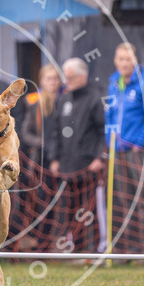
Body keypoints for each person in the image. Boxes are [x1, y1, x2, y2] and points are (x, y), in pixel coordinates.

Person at [104, 42, 144, 253]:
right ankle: (122, 250)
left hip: (140, 152)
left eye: (128, 59)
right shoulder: (113, 83)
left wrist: (139, 142)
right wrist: (109, 139)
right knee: (121, 201)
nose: (124, 63)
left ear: (135, 60)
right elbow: (109, 115)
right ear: (115, 60)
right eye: (120, 59)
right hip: (117, 151)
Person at [46, 58, 105, 252]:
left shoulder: (95, 98)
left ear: (82, 76)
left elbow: (102, 130)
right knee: (63, 211)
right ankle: (61, 250)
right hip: (64, 165)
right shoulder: (64, 99)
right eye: (66, 77)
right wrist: (54, 158)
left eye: (70, 77)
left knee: (86, 211)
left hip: (87, 165)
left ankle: (87, 250)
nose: (66, 81)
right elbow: (55, 131)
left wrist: (98, 157)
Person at [18, 63, 62, 166]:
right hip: (42, 155)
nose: (52, 82)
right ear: (42, 81)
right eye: (49, 79)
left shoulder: (66, 102)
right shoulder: (34, 104)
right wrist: (41, 142)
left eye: (55, 78)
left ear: (60, 81)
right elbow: (26, 133)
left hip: (62, 153)